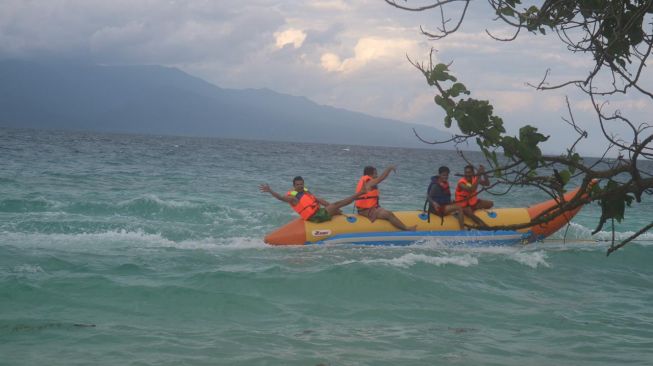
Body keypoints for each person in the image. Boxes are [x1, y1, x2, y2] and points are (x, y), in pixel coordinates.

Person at [259, 176, 362, 223]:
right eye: (297, 185)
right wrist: (270, 191)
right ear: (294, 186)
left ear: (303, 184)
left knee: (336, 209)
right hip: (315, 216)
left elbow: (318, 200)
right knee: (338, 203)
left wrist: (330, 207)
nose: (300, 186)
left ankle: (337, 214)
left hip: (319, 212)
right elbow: (281, 198)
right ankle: (360, 193)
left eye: (301, 184)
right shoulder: (293, 198)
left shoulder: (305, 192)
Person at [355, 165, 417, 231]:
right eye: (375, 173)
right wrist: (389, 168)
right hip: (366, 211)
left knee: (386, 212)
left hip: (366, 209)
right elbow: (381, 178)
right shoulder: (369, 182)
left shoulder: (365, 181)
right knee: (389, 214)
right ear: (370, 174)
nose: (377, 176)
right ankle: (406, 228)